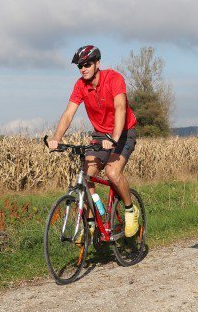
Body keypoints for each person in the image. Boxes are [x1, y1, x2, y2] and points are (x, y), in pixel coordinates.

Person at [48, 45, 140, 237]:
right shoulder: (80, 85)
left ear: (98, 63)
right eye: (80, 66)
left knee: (112, 172)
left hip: (123, 132)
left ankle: (131, 210)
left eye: (87, 64)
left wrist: (114, 138)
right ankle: (91, 222)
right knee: (86, 176)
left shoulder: (114, 79)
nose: (83, 68)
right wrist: (57, 138)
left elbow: (121, 108)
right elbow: (69, 113)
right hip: (99, 135)